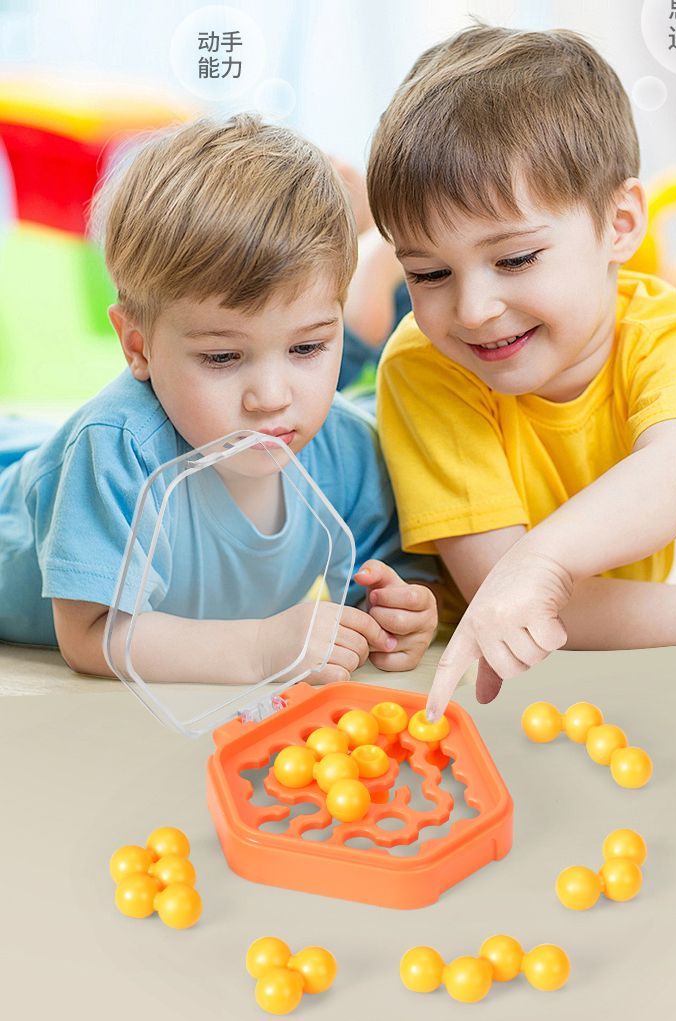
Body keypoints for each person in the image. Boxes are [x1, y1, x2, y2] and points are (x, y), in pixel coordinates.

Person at [366, 25, 676, 718]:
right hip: (465, 649)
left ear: (619, 224)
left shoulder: (666, 333)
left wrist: (542, 562)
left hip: (588, 644)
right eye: (429, 273)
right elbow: (505, 598)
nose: (473, 310)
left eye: (515, 259)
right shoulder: (426, 363)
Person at [0, 114, 438, 685]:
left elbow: (389, 573)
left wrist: (399, 611)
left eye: (307, 347)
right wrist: (259, 650)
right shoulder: (117, 449)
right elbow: (92, 634)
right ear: (137, 346)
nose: (271, 398)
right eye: (223, 357)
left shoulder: (347, 451)